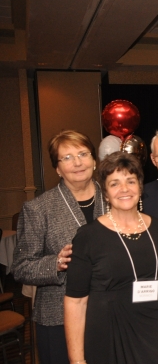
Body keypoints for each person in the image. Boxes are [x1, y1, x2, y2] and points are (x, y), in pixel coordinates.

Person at [65, 152, 158, 364]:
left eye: (130, 181)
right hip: (108, 335)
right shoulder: (88, 237)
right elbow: (75, 302)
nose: (124, 189)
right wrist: (76, 360)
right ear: (105, 193)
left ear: (140, 188)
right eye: (115, 183)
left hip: (155, 331)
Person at [12, 130, 106, 364]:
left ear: (94, 161)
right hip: (58, 318)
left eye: (83, 154)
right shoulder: (39, 209)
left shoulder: (116, 197)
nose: (77, 162)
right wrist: (56, 263)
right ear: (57, 168)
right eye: (67, 157)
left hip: (110, 313)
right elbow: (21, 267)